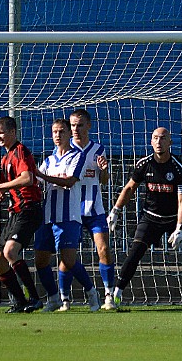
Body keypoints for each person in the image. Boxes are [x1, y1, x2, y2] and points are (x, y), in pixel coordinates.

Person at [107, 127, 182, 308]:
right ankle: (116, 295)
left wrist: (179, 228)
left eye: (163, 139)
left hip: (175, 218)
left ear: (170, 142)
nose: (159, 142)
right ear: (151, 142)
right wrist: (115, 210)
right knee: (135, 252)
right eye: (155, 138)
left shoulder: (178, 167)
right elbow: (130, 188)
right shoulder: (143, 164)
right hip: (151, 217)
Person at [34, 118, 101, 312]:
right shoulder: (48, 160)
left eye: (61, 131)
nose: (58, 135)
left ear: (68, 134)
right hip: (48, 216)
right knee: (40, 260)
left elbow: (70, 181)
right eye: (54, 131)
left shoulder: (76, 157)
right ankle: (54, 298)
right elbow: (39, 183)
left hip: (69, 216)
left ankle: (91, 292)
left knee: (69, 261)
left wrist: (45, 177)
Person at [0, 116, 43, 313]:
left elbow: (27, 178)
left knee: (10, 253)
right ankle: (20, 301)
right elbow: (12, 183)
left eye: (1, 133)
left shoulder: (20, 151)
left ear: (13, 132)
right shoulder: (6, 157)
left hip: (29, 209)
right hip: (15, 212)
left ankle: (34, 298)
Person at [69, 109, 115, 310]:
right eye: (72, 125)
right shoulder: (65, 148)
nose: (75, 129)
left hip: (95, 209)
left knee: (103, 250)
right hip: (71, 209)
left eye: (79, 125)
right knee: (67, 255)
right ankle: (68, 297)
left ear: (89, 126)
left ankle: (108, 295)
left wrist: (104, 170)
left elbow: (103, 181)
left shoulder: (98, 149)